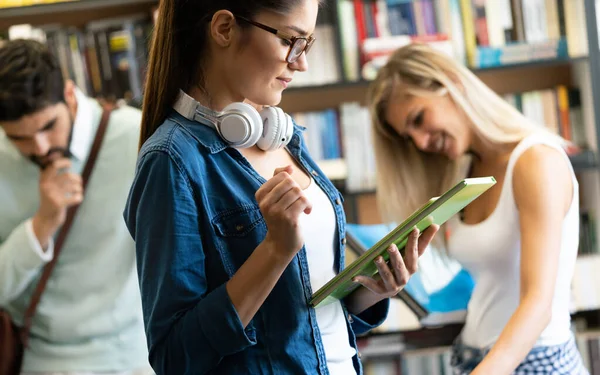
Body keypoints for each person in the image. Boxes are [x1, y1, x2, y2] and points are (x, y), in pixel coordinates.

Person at [121, 1, 439, 374]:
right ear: (224, 28)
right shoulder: (171, 161)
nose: (300, 62)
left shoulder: (282, 138)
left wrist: (373, 290)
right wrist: (274, 250)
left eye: (307, 44)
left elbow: (300, 321)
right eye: (291, 40)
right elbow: (175, 358)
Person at [366, 43, 589, 374]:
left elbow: (538, 305)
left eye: (418, 119)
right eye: (409, 137)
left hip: (534, 362)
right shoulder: (469, 173)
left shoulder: (536, 161)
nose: (422, 143)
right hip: (477, 355)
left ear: (452, 82)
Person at [0, 39, 151, 375]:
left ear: (70, 95)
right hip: (41, 360)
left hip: (137, 355)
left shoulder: (136, 136)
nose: (38, 147)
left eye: (48, 127)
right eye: (19, 138)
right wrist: (41, 226)